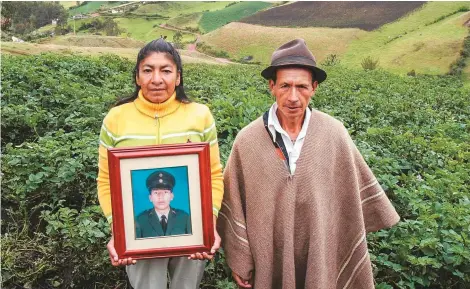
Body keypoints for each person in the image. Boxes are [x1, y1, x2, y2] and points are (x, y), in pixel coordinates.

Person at [217, 39, 400, 289]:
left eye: (302, 87)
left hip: (321, 256)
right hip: (268, 259)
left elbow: (349, 206)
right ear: (272, 86)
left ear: (314, 88)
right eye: (285, 86)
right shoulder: (247, 141)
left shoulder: (334, 134)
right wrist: (240, 258)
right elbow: (234, 205)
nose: (293, 97)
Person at [97, 37, 223, 289]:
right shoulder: (116, 119)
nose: (156, 79)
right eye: (148, 70)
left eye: (166, 70)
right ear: (137, 77)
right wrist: (119, 232)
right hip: (138, 233)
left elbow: (214, 175)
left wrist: (208, 224)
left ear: (178, 77)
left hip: (190, 231)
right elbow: (106, 180)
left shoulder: (200, 115)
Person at [135, 170, 191, 238]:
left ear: (172, 196)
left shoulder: (184, 218)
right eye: (156, 192)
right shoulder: (141, 220)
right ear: (150, 198)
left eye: (165, 192)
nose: (161, 197)